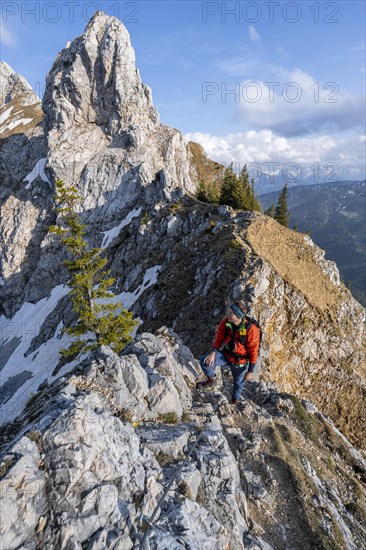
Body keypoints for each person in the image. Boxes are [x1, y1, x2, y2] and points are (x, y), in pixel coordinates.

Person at [196, 300, 261, 405]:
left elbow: (254, 351)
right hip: (225, 355)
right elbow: (219, 338)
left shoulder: (251, 330)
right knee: (205, 361)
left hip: (240, 362)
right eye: (228, 312)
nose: (228, 315)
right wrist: (213, 353)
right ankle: (212, 380)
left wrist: (250, 371)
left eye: (231, 313)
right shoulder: (225, 323)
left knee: (238, 384)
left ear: (238, 316)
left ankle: (234, 403)